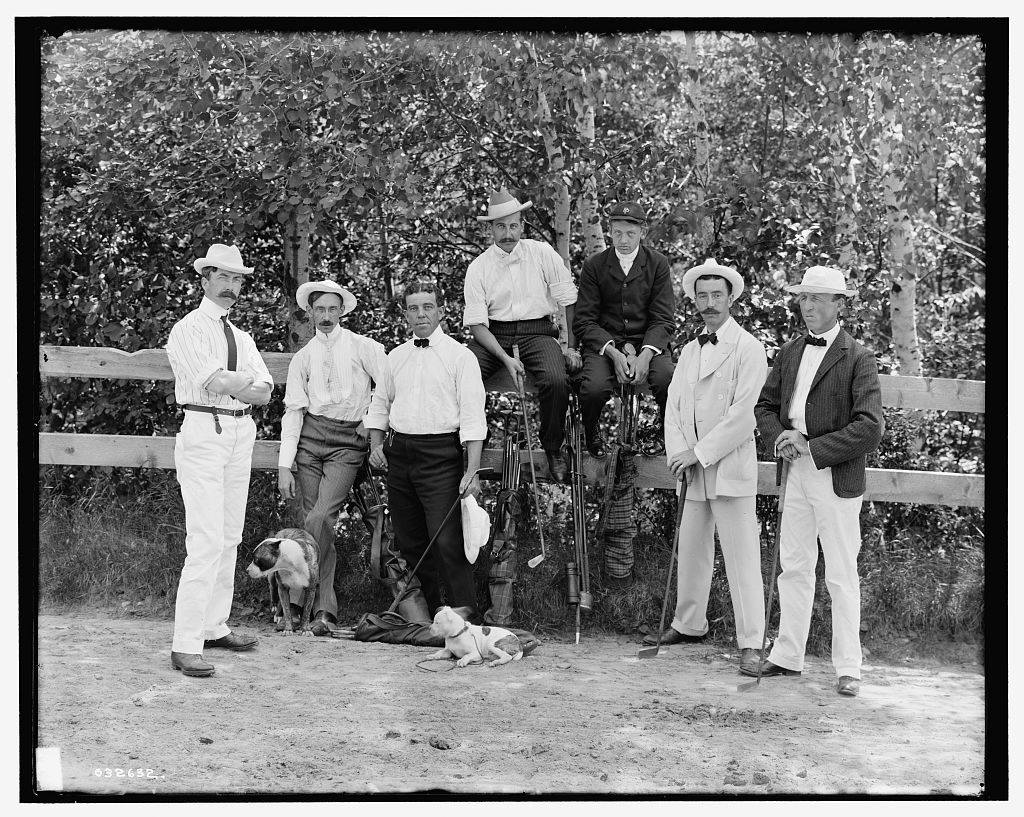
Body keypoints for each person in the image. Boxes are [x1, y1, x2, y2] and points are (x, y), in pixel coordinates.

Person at [748, 266, 884, 697]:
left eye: (820, 298)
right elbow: (765, 406)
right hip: (794, 473)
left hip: (835, 475)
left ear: (840, 304)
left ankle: (849, 667)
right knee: (795, 566)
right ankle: (788, 655)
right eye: (805, 297)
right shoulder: (790, 351)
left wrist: (812, 446)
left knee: (841, 573)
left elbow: (871, 427)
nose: (809, 306)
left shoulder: (857, 357)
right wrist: (780, 439)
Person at [641, 259, 768, 675]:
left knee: (741, 554)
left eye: (717, 296)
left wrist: (699, 452)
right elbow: (674, 408)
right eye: (703, 296)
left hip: (727, 464)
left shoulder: (749, 349)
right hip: (692, 467)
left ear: (731, 298)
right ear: (694, 300)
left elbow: (745, 415)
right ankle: (688, 623)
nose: (710, 303)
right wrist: (680, 454)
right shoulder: (692, 350)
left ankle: (752, 641)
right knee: (692, 548)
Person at [166, 243, 273, 677]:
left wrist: (238, 384)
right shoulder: (188, 329)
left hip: (239, 430)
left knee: (230, 535)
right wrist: (238, 383)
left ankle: (214, 626)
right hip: (203, 430)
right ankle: (185, 643)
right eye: (223, 278)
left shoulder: (243, 337)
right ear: (205, 279)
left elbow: (265, 388)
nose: (230, 287)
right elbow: (211, 380)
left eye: (237, 279)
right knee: (206, 539)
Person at [365, 281, 487, 619]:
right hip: (400, 454)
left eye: (428, 307)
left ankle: (468, 616)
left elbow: (473, 417)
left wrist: (471, 469)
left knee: (447, 540)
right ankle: (432, 616)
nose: (421, 314)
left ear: (442, 310)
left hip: (441, 455)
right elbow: (379, 406)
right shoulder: (396, 356)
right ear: (406, 314)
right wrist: (377, 444)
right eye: (414, 308)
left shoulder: (460, 357)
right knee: (411, 542)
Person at [277, 280, 388, 635]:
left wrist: (371, 423)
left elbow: (389, 383)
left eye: (332, 309)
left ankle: (295, 598)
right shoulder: (303, 358)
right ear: (309, 313)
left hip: (347, 441)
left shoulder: (362, 347)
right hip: (310, 440)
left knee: (321, 517)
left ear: (342, 311)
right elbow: (293, 411)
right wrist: (284, 465)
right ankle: (324, 610)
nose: (325, 316)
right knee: (315, 522)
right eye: (318, 310)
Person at [463, 188, 580, 482]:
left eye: (513, 225)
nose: (508, 232)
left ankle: (553, 447)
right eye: (500, 226)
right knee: (461, 375)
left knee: (555, 380)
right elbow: (477, 325)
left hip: (538, 332)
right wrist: (503, 358)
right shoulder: (478, 268)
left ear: (522, 225)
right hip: (493, 335)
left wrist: (570, 347)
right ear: (491, 228)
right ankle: (472, 447)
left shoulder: (542, 253)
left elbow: (568, 300)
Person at [572, 201, 675, 457]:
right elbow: (584, 320)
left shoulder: (657, 264)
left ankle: (667, 431)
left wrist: (646, 355)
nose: (623, 240)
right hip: (606, 344)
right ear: (609, 231)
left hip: (648, 342)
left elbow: (663, 318)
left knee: (666, 379)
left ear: (643, 231)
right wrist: (614, 353)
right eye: (617, 233)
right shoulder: (595, 265)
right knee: (593, 387)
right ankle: (592, 430)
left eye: (630, 233)